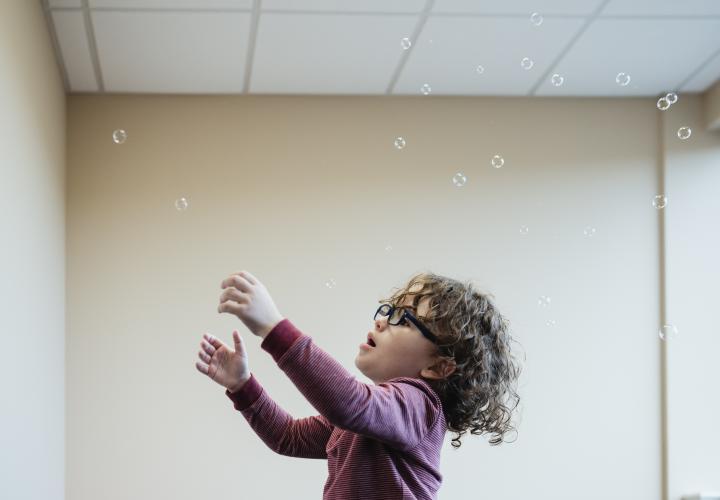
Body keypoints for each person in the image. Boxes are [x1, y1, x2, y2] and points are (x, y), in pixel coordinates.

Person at [195, 270, 522, 500]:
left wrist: (273, 327)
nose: (382, 320)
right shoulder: (366, 419)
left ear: (438, 366)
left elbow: (349, 402)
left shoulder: (420, 407)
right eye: (389, 310)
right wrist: (243, 386)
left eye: (404, 319)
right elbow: (288, 438)